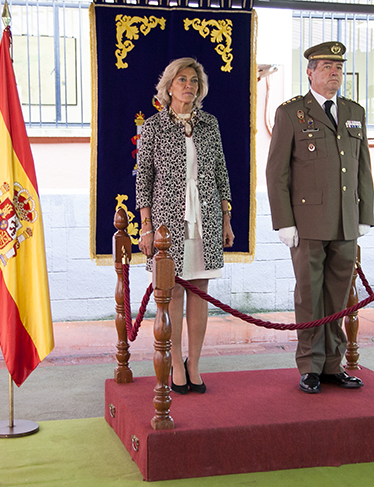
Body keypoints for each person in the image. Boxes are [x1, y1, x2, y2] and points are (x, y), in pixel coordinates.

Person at [265, 41, 374, 393]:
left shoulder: (354, 111)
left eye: (339, 67)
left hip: (345, 221)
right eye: (327, 66)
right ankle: (310, 365)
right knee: (310, 295)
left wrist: (365, 214)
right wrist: (284, 220)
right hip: (308, 223)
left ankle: (332, 364)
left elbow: (363, 169)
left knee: (338, 296)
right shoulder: (291, 113)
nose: (334, 73)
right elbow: (276, 172)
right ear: (310, 72)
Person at [136, 58, 235, 393]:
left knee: (200, 291)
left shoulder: (210, 124)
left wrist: (226, 216)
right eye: (182, 80)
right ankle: (176, 362)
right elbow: (144, 180)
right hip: (167, 223)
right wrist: (146, 226)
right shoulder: (153, 126)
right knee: (173, 291)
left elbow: (221, 172)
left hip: (204, 220)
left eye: (194, 80)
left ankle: (195, 362)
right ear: (169, 86)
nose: (189, 86)